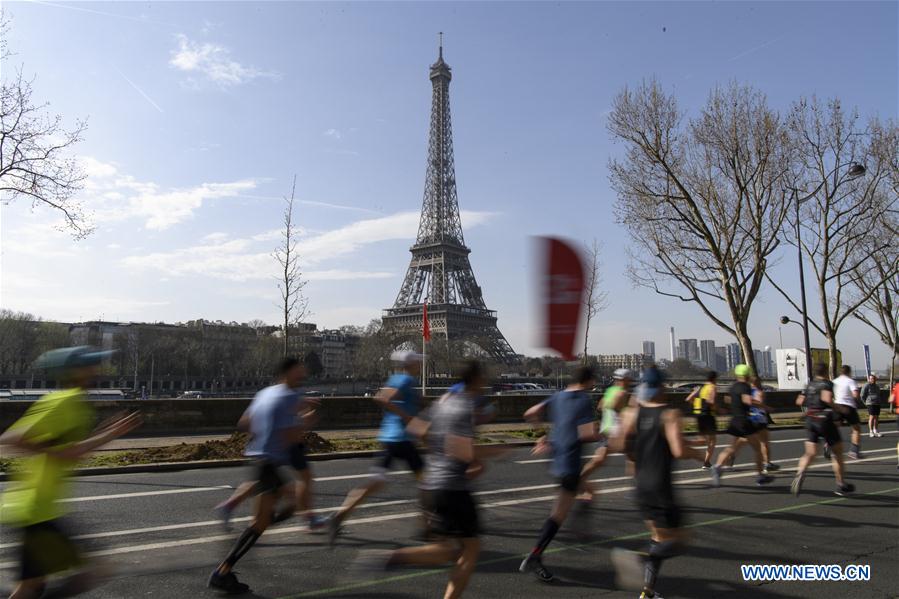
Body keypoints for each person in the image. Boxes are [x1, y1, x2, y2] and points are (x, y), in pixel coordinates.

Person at [348, 360, 503, 599]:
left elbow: (418, 430)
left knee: (447, 551)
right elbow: (463, 452)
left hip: (433, 483)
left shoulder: (442, 402)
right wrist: (498, 451)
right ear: (477, 380)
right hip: (454, 489)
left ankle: (391, 557)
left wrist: (438, 454)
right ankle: (392, 558)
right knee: (469, 549)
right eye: (483, 378)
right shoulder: (464, 407)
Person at [0, 347, 142, 599]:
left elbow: (74, 450)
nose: (96, 369)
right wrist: (56, 454)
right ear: (72, 371)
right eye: (89, 364)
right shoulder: (65, 402)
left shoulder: (71, 402)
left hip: (37, 508)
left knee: (32, 585)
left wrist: (107, 435)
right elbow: (12, 439)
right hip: (37, 510)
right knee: (93, 572)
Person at [207, 357, 309, 594]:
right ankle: (222, 571)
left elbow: (244, 423)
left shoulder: (264, 393)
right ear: (288, 373)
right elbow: (292, 436)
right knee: (289, 505)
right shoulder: (290, 397)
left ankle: (224, 570)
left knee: (267, 517)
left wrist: (265, 433)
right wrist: (305, 423)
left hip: (259, 459)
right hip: (270, 463)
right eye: (299, 373)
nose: (302, 376)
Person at [609, 366, 705, 599]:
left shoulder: (632, 413)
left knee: (658, 539)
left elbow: (618, 444)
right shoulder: (669, 414)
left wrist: (638, 450)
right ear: (662, 387)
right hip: (661, 487)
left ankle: (648, 591)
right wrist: (698, 454)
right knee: (681, 541)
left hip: (640, 486)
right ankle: (637, 559)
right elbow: (679, 450)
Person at [328, 350, 425, 544]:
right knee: (428, 483)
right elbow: (384, 400)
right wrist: (406, 417)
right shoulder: (406, 381)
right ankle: (427, 527)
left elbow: (380, 397)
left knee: (376, 482)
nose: (420, 365)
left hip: (389, 439)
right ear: (411, 364)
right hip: (402, 440)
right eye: (417, 362)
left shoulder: (395, 379)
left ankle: (340, 515)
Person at [518, 366, 601, 582]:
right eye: (594, 380)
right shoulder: (583, 400)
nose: (595, 384)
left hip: (555, 460)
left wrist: (542, 436)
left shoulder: (557, 396)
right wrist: (605, 433)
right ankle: (536, 555)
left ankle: (579, 530)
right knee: (557, 515)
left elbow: (530, 413)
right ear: (589, 380)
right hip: (569, 462)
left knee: (590, 491)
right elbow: (588, 435)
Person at [215, 396, 326, 531]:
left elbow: (248, 422)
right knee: (292, 487)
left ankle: (230, 507)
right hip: (275, 449)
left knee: (261, 482)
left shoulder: (273, 401)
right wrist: (303, 417)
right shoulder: (282, 402)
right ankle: (306, 518)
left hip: (267, 448)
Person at [791, 363, 854, 497]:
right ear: (826, 372)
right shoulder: (827, 384)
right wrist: (840, 409)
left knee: (810, 453)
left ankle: (800, 473)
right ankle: (841, 484)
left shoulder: (809, 385)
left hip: (810, 419)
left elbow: (799, 401)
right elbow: (826, 398)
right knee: (837, 453)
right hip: (824, 418)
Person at [709, 365, 773, 487]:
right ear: (747, 375)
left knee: (732, 447)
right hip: (744, 421)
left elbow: (728, 400)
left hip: (734, 421)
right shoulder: (745, 387)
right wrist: (763, 406)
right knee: (758, 449)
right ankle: (760, 476)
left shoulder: (733, 387)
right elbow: (748, 401)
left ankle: (717, 467)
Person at [578, 368, 633, 499]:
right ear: (622, 380)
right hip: (616, 431)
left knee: (599, 460)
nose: (630, 382)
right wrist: (619, 410)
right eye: (628, 379)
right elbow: (613, 407)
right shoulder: (621, 393)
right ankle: (638, 488)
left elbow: (600, 407)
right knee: (634, 457)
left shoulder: (610, 391)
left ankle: (577, 482)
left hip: (608, 430)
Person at [684, 371, 718, 469]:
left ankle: (685, 442)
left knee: (702, 440)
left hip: (698, 415)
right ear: (714, 379)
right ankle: (706, 463)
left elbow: (688, 399)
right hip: (708, 415)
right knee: (712, 440)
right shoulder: (712, 387)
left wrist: (696, 405)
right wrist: (718, 409)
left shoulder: (700, 388)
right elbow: (711, 402)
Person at [832, 365, 862, 459]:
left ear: (841, 372)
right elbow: (856, 394)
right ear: (849, 372)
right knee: (856, 428)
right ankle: (854, 451)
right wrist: (854, 400)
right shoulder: (851, 381)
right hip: (848, 406)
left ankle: (829, 446)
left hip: (837, 406)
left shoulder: (834, 381)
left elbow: (830, 394)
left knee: (834, 428)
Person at [750, 377, 779, 474]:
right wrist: (768, 408)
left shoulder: (747, 392)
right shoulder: (759, 392)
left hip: (750, 418)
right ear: (757, 383)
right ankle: (767, 464)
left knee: (746, 440)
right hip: (760, 418)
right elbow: (759, 404)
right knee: (764, 442)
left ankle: (732, 456)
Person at [860, 374, 882, 438]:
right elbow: (862, 395)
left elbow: (879, 394)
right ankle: (871, 431)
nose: (873, 380)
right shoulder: (866, 385)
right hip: (870, 403)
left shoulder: (877, 386)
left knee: (876, 417)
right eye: (871, 378)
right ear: (869, 379)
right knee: (872, 417)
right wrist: (866, 402)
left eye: (874, 378)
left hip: (877, 403)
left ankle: (876, 430)